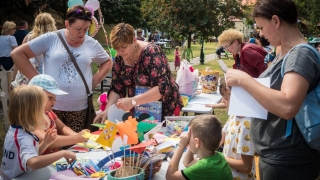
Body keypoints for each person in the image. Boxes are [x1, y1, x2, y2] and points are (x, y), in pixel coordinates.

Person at [225, 0, 320, 179]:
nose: (260, 33)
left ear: (276, 21)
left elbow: (287, 106)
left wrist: (245, 80)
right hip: (278, 157)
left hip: (288, 161)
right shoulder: (284, 52)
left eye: (261, 27)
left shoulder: (300, 54)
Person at [11, 5, 113, 132]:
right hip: (50, 107)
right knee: (52, 145)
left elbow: (108, 61)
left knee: (77, 146)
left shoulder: (91, 43)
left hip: (80, 108)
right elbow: (17, 54)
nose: (82, 33)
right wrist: (39, 80)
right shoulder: (51, 38)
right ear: (67, 24)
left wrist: (94, 80)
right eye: (78, 29)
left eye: (86, 29)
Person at [94, 23, 183, 123]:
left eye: (124, 47)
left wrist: (133, 101)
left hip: (165, 110)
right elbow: (117, 88)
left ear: (134, 40)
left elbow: (162, 89)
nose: (120, 52)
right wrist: (108, 110)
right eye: (117, 48)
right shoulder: (120, 59)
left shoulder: (152, 52)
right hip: (140, 111)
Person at [0, 85, 76, 180]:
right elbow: (33, 163)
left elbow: (30, 155)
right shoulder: (23, 137)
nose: (44, 113)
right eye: (41, 108)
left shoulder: (17, 129)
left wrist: (45, 143)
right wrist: (63, 153)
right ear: (33, 111)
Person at [29, 74, 89, 154]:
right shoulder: (30, 117)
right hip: (40, 162)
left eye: (55, 97)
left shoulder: (48, 112)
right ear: (36, 97)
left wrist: (77, 136)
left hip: (53, 158)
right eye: (50, 97)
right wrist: (77, 138)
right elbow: (46, 140)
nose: (54, 101)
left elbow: (62, 127)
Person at [166, 114, 233, 180]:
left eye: (189, 134)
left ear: (197, 142)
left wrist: (181, 145)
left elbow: (170, 177)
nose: (187, 137)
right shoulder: (218, 157)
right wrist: (193, 143)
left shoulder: (204, 166)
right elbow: (188, 163)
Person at [219, 79, 255, 180]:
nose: (222, 101)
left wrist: (219, 158)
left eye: (226, 98)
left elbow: (246, 167)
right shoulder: (233, 116)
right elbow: (220, 139)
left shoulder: (246, 126)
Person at [11, 13, 57, 88]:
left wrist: (14, 79)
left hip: (32, 76)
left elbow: (19, 57)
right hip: (51, 75)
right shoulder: (56, 38)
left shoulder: (29, 37)